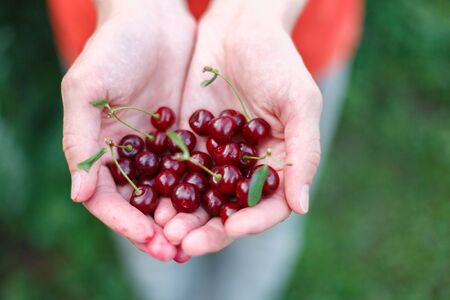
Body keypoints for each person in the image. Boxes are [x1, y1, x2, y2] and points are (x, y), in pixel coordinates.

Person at [48, 0, 363, 299]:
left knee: (267, 227)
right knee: (153, 245)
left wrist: (255, 14)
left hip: (285, 47)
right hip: (120, 49)